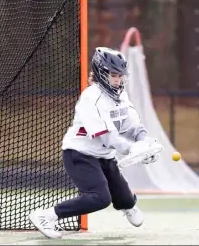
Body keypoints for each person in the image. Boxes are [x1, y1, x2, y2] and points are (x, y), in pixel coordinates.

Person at [28, 47, 160, 239]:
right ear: (101, 73)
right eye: (114, 75)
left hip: (105, 156)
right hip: (80, 154)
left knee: (125, 199)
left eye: (121, 75)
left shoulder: (121, 95)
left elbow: (134, 126)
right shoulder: (92, 98)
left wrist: (145, 142)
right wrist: (133, 149)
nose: (118, 80)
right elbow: (107, 137)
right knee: (99, 198)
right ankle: (46, 216)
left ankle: (126, 205)